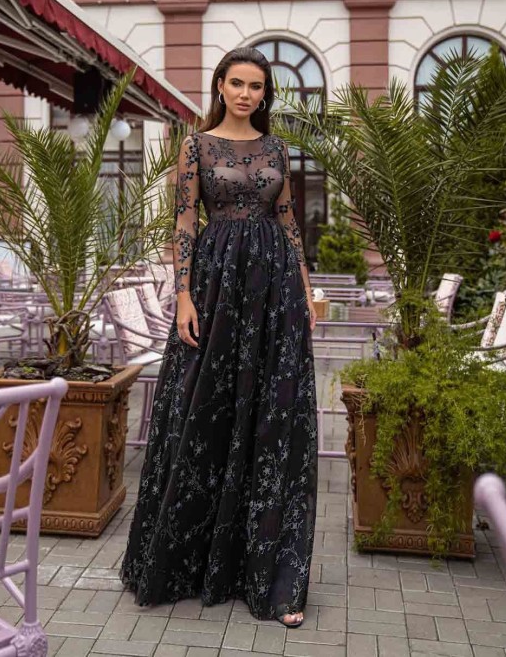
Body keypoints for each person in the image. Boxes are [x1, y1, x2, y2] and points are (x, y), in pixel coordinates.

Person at [120, 47, 318, 628]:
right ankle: (188, 563)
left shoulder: (277, 149)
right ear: (220, 86)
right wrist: (182, 294)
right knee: (204, 409)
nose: (246, 94)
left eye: (257, 86)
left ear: (265, 93)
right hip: (214, 285)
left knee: (273, 418)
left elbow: (288, 222)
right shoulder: (197, 146)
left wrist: (305, 289)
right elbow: (184, 223)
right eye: (237, 84)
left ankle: (271, 576)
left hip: (275, 290)